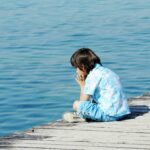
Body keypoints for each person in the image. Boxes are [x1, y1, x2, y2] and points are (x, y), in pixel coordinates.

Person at [63, 48, 130, 122]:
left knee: (76, 104)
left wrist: (82, 85)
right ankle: (90, 116)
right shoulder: (107, 71)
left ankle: (81, 117)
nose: (76, 71)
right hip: (123, 112)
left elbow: (83, 101)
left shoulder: (93, 76)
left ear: (83, 67)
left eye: (77, 68)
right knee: (92, 102)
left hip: (109, 115)